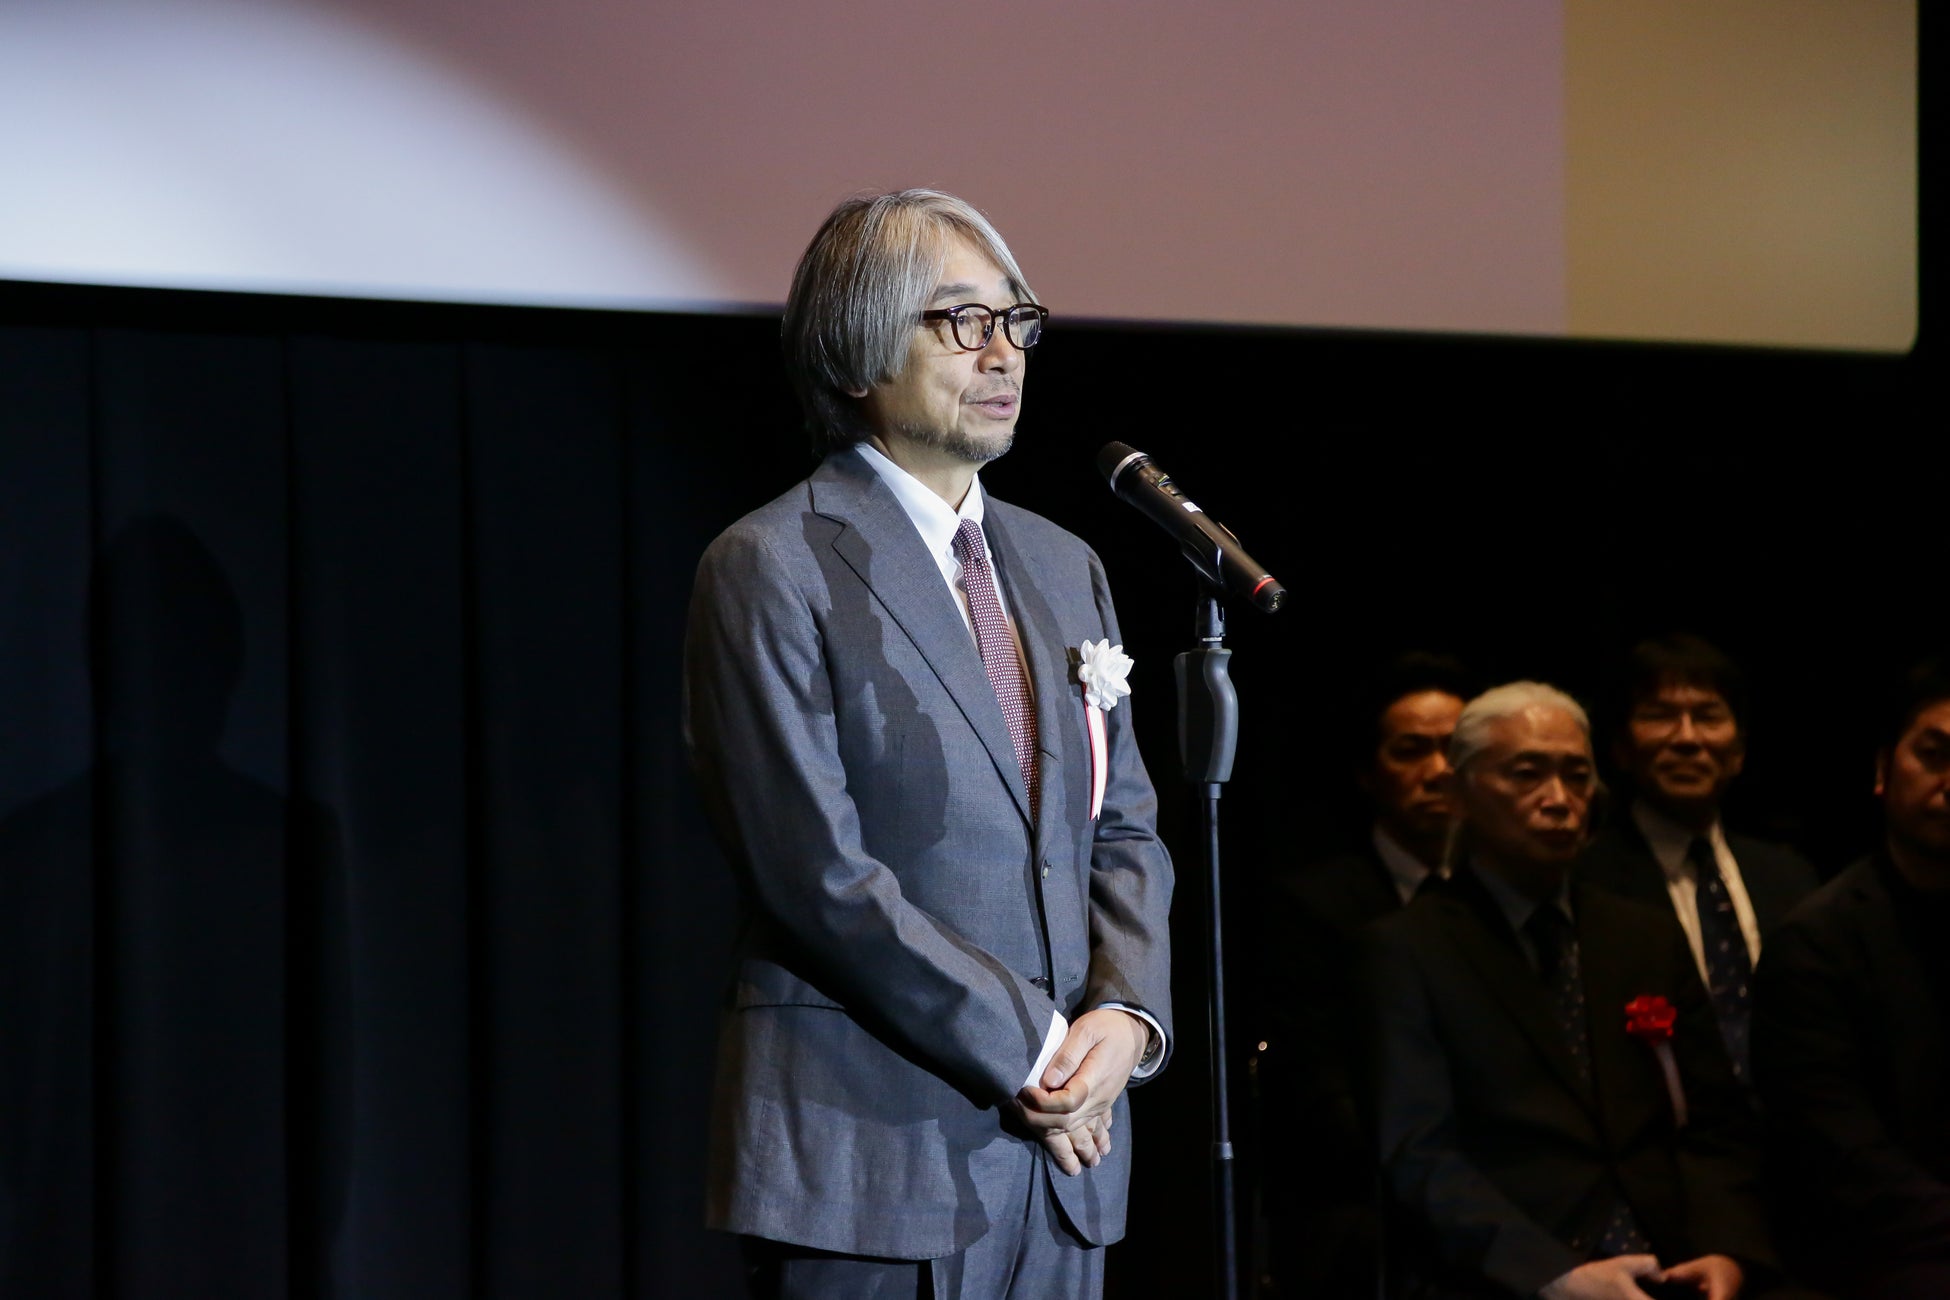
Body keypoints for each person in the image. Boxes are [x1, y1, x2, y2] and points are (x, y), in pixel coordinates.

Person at [683, 189, 1174, 1299]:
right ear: (858, 351)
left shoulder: (1065, 565)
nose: (1003, 354)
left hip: (1067, 1159)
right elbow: (814, 872)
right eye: (962, 321)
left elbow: (1124, 827)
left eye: (1018, 320)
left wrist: (1124, 1017)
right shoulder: (772, 563)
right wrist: (1035, 1047)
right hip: (872, 1151)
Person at [1364, 681, 1780, 1299]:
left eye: (1577, 776)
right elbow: (1418, 1153)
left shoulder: (1643, 934)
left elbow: (1716, 1122)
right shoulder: (1407, 949)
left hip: (1674, 1260)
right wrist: (1551, 1274)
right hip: (1515, 1271)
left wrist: (1728, 1248)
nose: (1559, 800)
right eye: (1526, 774)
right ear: (1460, 793)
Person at [1254, 652, 1471, 1297]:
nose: (1439, 771)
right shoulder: (1312, 905)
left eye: (1456, 750)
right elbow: (1320, 1094)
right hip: (1369, 1197)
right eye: (1412, 751)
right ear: (1369, 773)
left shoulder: (1509, 893)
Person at [1755, 657, 1950, 1299]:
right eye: (1934, 755)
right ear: (1882, 770)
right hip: (1880, 1252)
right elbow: (1844, 1162)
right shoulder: (1817, 940)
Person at [1580, 635, 1817, 1086]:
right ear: (1621, 748)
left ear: (1738, 751)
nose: (1687, 738)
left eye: (1708, 717)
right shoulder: (1586, 881)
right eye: (1659, 716)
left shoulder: (1789, 877)